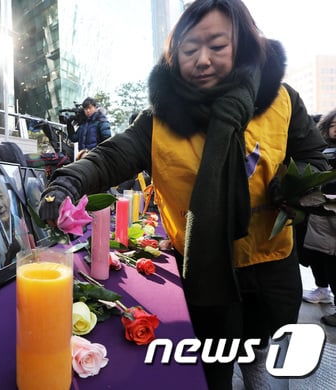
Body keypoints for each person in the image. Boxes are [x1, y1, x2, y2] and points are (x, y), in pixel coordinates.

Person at [38, 1, 329, 388]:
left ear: (242, 45)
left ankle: (258, 367)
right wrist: (68, 181)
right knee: (213, 367)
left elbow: (314, 157)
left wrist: (300, 185)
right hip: (203, 269)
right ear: (175, 56)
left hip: (271, 261)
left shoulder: (282, 101)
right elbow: (110, 157)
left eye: (217, 46)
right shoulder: (159, 119)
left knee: (266, 351)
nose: (203, 60)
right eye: (190, 49)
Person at [301, 109, 336, 309]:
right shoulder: (320, 150)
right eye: (332, 124)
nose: (335, 129)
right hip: (319, 209)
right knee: (317, 254)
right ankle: (322, 289)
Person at [0, 175, 29, 272]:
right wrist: (9, 255)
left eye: (1, 196)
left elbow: (29, 256)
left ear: (8, 198)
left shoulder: (18, 222)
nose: (0, 204)